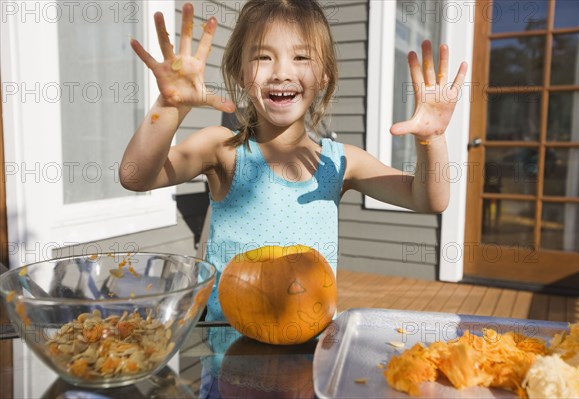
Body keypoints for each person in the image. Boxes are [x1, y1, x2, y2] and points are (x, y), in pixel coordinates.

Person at [121, 0, 467, 323]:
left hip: (309, 343)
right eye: (262, 57)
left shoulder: (341, 161)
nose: (281, 72)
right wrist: (169, 108)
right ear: (241, 73)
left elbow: (429, 199)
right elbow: (135, 176)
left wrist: (431, 140)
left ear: (324, 76)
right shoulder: (221, 148)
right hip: (230, 348)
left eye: (301, 57)